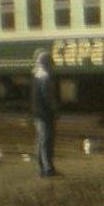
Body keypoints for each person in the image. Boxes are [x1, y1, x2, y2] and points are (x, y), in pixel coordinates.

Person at [30, 49, 60, 177]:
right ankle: (48, 169)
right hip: (46, 114)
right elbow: (48, 97)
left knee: (40, 141)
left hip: (37, 113)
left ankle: (41, 167)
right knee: (46, 141)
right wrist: (55, 109)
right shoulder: (46, 77)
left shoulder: (36, 75)